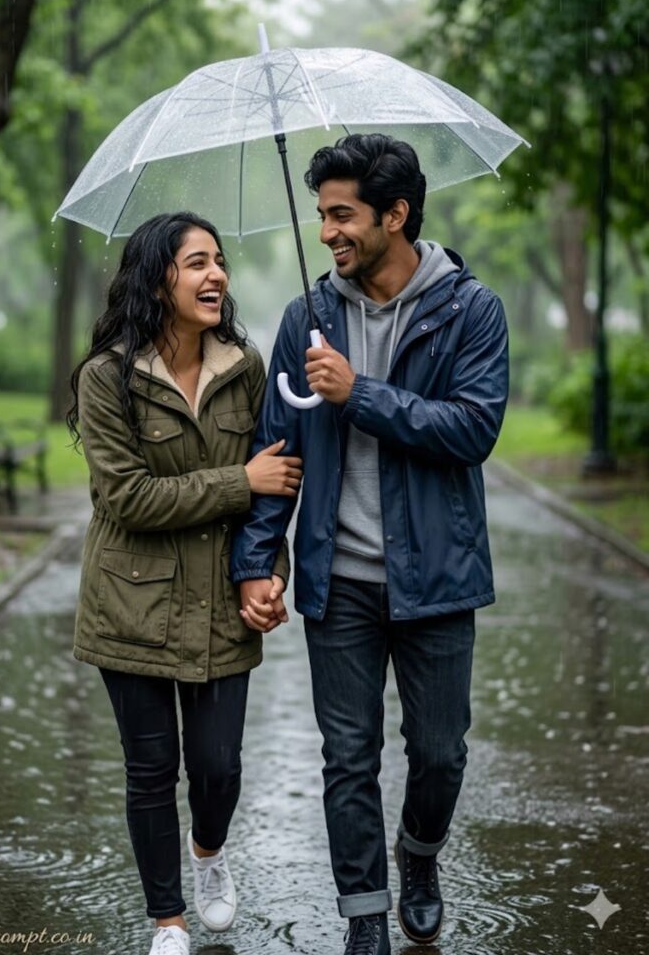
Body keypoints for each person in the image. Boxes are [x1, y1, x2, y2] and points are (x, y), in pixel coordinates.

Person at [231, 135, 509, 952]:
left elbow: (473, 428)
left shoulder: (470, 309)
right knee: (347, 758)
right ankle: (364, 919)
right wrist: (258, 562)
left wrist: (362, 394)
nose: (327, 233)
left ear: (396, 214)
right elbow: (276, 450)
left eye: (344, 215)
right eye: (321, 215)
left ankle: (419, 856)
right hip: (339, 582)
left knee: (440, 753)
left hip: (438, 578)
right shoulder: (306, 320)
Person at [67, 212, 301, 955]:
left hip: (223, 602)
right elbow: (126, 498)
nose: (216, 276)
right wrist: (240, 479)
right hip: (130, 602)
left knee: (219, 768)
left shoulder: (247, 365)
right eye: (196, 262)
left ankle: (209, 853)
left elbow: (277, 486)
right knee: (150, 767)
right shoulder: (106, 377)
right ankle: (165, 918)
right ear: (155, 277)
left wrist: (267, 570)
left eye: (220, 262)